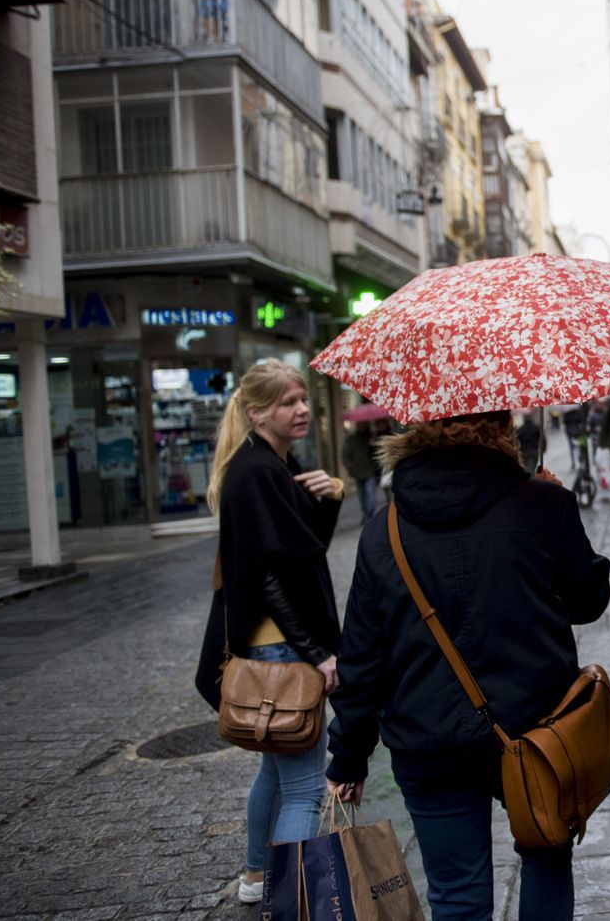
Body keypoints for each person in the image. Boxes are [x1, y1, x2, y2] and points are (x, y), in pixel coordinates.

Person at [324, 411, 610, 921]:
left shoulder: (382, 530)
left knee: (456, 894)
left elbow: (362, 656)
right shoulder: (542, 505)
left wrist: (348, 756)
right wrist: (559, 512)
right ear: (502, 427)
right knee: (546, 857)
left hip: (427, 739)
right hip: (536, 732)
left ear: (414, 432)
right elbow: (587, 601)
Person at [193, 360, 344, 907]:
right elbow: (269, 576)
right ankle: (296, 896)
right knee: (305, 784)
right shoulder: (257, 473)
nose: (301, 409)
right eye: (286, 402)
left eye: (303, 399)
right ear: (256, 412)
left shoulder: (274, 466)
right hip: (282, 646)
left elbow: (304, 550)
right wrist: (318, 652)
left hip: (270, 645)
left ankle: (258, 876)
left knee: (276, 772)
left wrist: (329, 497)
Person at [343, 422, 378, 520]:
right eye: (359, 425)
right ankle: (366, 513)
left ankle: (371, 514)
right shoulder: (351, 439)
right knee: (362, 495)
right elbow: (345, 455)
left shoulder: (371, 436)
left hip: (369, 471)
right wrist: (351, 467)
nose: (361, 426)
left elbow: (376, 453)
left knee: (369, 492)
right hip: (357, 472)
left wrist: (373, 444)